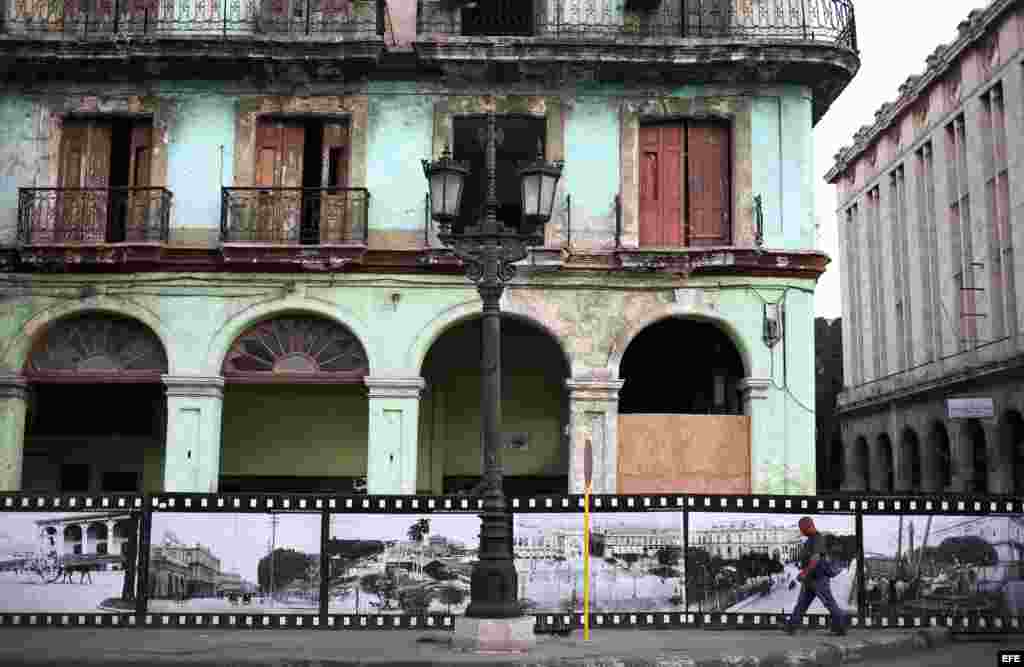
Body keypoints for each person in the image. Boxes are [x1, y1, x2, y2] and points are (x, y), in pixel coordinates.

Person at [783, 517, 847, 637]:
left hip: (819, 579)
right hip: (810, 579)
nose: (801, 531)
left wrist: (804, 572)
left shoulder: (818, 538)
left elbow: (816, 559)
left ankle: (840, 627)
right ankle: (791, 626)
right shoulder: (810, 539)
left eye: (802, 529)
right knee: (801, 604)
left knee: (829, 602)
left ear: (809, 526)